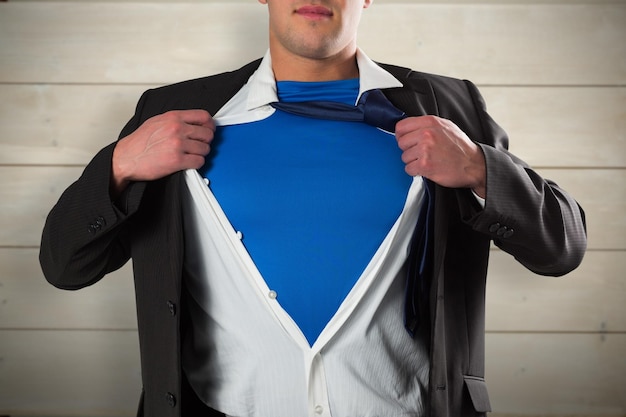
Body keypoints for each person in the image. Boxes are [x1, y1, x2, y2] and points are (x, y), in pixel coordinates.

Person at [39, 0, 587, 416]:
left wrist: (479, 169)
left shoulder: (451, 106)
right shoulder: (170, 110)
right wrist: (118, 165)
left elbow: (561, 248)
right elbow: (65, 266)